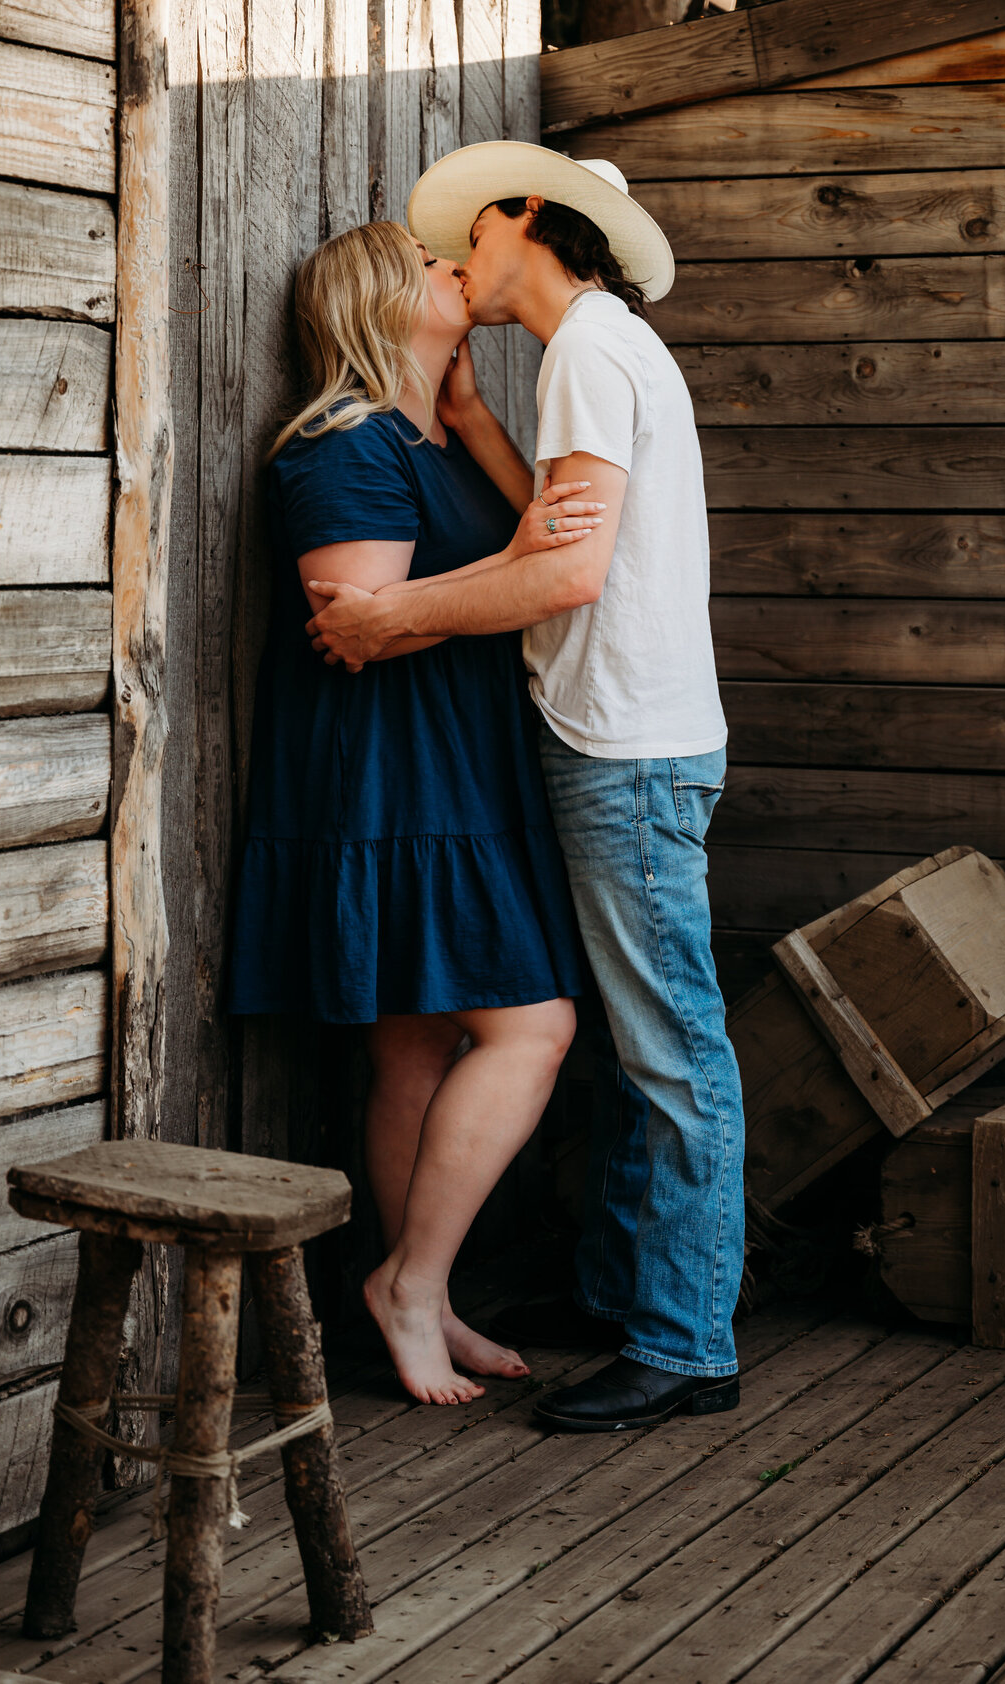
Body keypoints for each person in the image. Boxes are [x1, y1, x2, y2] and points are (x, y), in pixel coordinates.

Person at [303, 146, 747, 1433]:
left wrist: (391, 619)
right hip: (613, 743)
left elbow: (563, 576)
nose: (458, 254)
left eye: (470, 232)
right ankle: (631, 1294)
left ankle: (683, 1340)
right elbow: (549, 530)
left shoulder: (591, 353)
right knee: (627, 1039)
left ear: (525, 220)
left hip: (630, 753)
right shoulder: (587, 355)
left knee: (670, 1048)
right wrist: (475, 422)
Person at [227, 218, 600, 1407]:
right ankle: (411, 1280)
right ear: (383, 304)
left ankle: (427, 1299)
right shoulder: (339, 448)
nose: (460, 269)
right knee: (531, 1027)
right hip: (396, 773)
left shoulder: (428, 436)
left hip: (457, 762)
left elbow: (528, 535)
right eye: (434, 266)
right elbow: (363, 627)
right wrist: (517, 560)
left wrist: (477, 417)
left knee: (417, 1040)